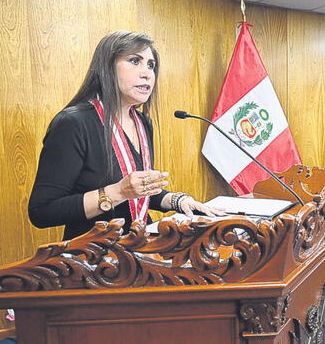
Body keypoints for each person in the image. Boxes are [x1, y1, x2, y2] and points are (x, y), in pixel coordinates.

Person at [29, 30, 224, 240]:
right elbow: (43, 211)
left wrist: (178, 201)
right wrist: (118, 192)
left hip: (141, 244)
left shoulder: (142, 122)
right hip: (93, 255)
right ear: (107, 68)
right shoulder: (73, 123)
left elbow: (137, 193)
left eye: (151, 65)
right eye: (134, 61)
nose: (147, 73)